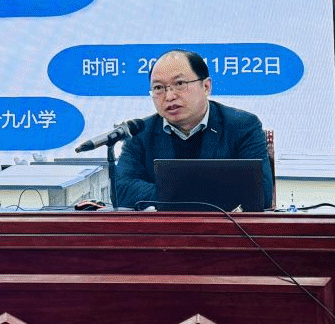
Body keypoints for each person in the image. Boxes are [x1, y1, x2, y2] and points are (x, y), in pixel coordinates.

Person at [114, 49, 273, 210]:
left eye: (180, 84)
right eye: (158, 88)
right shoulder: (140, 132)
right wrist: (195, 194)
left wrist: (173, 194)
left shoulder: (243, 126)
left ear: (206, 86)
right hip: (163, 226)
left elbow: (262, 193)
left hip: (223, 225)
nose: (169, 96)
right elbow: (121, 190)